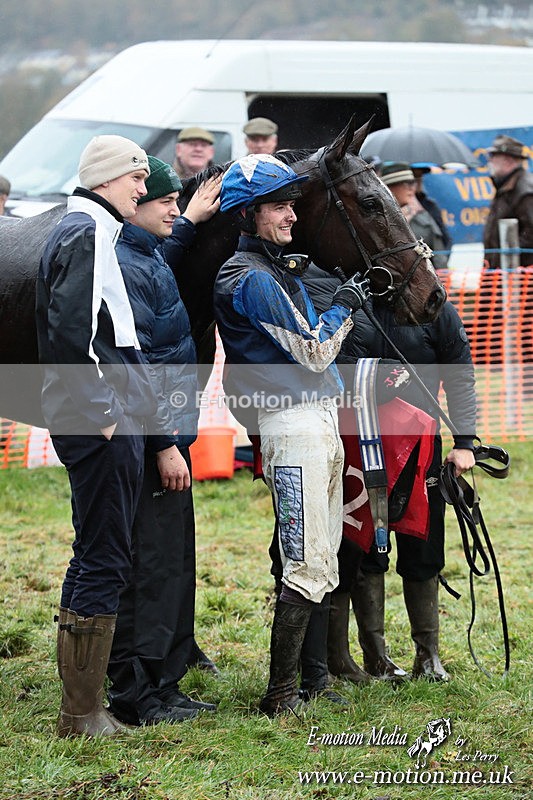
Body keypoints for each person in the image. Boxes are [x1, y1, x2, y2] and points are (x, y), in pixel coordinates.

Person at [213, 154, 370, 715]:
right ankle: (280, 694)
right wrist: (345, 308)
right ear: (250, 214)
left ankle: (316, 681)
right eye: (279, 207)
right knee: (305, 557)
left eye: (291, 206)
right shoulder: (248, 277)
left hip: (318, 418)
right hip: (292, 424)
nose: (291, 216)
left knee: (324, 554)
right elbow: (312, 352)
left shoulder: (277, 269)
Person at [35, 134, 169, 737]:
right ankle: (81, 712)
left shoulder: (88, 229)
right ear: (108, 179)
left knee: (95, 551)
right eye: (136, 179)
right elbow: (70, 336)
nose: (144, 190)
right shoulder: (85, 231)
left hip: (100, 418)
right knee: (104, 557)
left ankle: (82, 707)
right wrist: (105, 414)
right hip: (97, 424)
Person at [107, 157, 221, 726]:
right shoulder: (128, 265)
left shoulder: (150, 256)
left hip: (173, 435)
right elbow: (142, 367)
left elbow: (169, 261)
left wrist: (193, 223)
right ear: (136, 207)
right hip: (155, 443)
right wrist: (163, 444)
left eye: (179, 201)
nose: (176, 209)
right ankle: (136, 694)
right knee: (147, 566)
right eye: (165, 202)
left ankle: (166, 683)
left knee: (173, 562)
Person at [329, 291, 477, 684]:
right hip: (360, 447)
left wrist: (465, 442)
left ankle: (428, 656)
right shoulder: (350, 303)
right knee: (366, 549)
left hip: (422, 450)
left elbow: (459, 374)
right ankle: (375, 656)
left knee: (423, 550)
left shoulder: (435, 307)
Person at [381, 162, 449, 269]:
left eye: (412, 183)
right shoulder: (377, 219)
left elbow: (439, 259)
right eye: (405, 184)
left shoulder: (423, 218)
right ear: (388, 188)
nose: (411, 188)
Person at [483, 134, 533, 268]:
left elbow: (530, 234)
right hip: (504, 277)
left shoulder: (525, 191)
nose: (490, 161)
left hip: (520, 279)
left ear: (508, 160)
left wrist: (505, 258)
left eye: (493, 156)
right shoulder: (506, 185)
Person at [411, 163, 453, 252]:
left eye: (420, 176)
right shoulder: (398, 207)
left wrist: (441, 258)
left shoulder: (430, 205)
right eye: (414, 178)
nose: (418, 181)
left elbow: (446, 238)